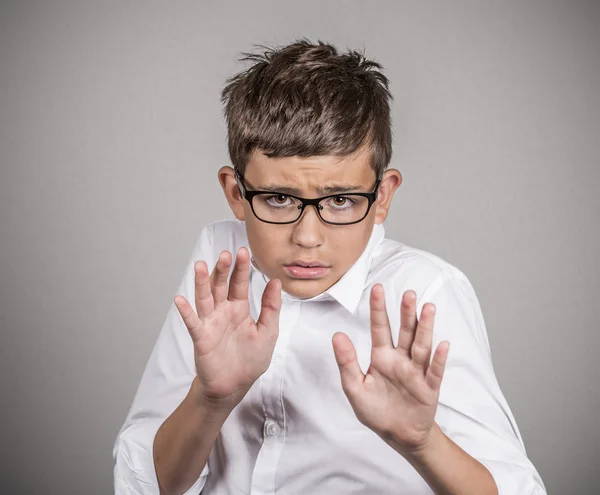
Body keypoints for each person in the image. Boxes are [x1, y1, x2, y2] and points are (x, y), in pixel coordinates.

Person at [113, 39, 546, 495]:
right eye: (278, 199)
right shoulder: (222, 257)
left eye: (340, 200)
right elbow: (146, 485)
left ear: (382, 197)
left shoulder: (424, 292)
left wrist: (422, 443)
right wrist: (209, 398)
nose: (307, 237)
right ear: (236, 193)